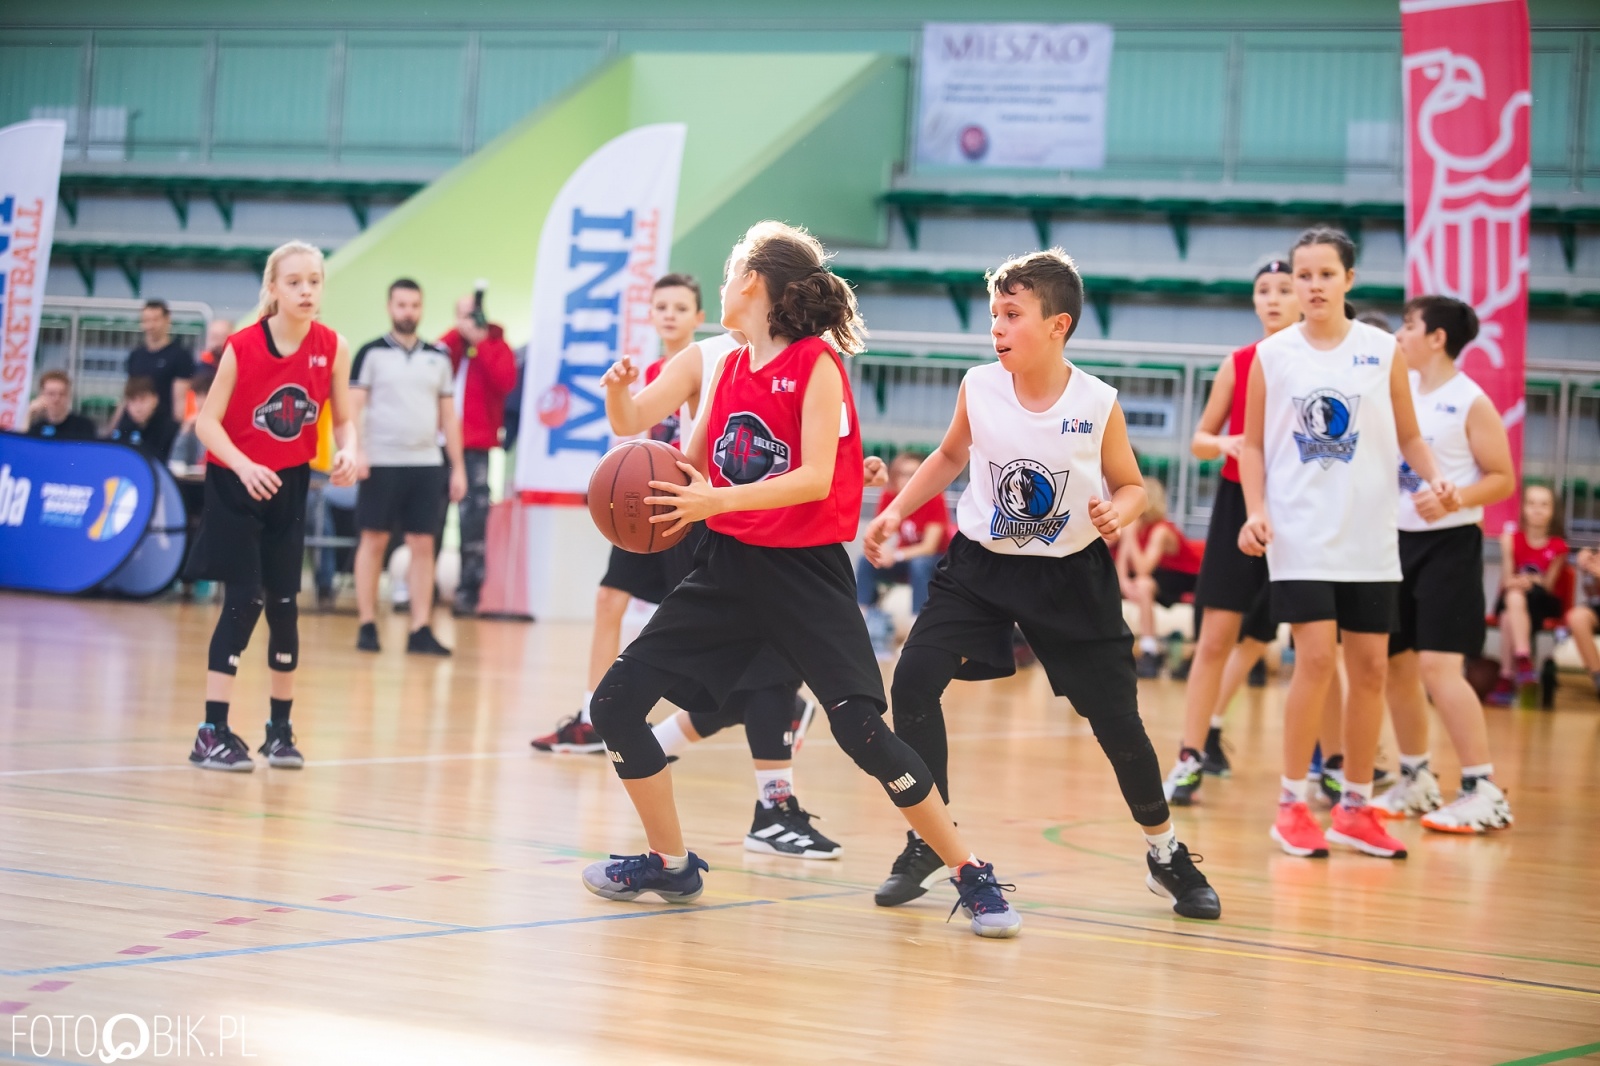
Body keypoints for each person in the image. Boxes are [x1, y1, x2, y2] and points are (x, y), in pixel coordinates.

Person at [580, 221, 1021, 938]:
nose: (722, 285)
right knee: (615, 705)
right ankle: (670, 861)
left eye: (729, 273)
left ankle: (970, 871)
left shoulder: (817, 362)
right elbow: (691, 466)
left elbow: (814, 477)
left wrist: (722, 500)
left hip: (803, 575)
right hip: (725, 569)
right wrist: (626, 422)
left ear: (753, 283)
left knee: (862, 733)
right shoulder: (727, 366)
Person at [866, 248, 1220, 921]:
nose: (997, 327)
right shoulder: (979, 386)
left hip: (1070, 576)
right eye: (994, 314)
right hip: (980, 567)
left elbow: (1132, 484)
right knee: (910, 685)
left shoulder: (1097, 401)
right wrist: (893, 511)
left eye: (1012, 314)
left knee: (1117, 722)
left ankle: (1165, 852)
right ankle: (931, 841)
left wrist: (1121, 512)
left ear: (1058, 325)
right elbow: (950, 454)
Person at [535, 272, 844, 860]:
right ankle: (764, 806)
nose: (673, 314)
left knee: (757, 674)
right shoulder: (709, 358)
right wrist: (617, 391)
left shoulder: (804, 360)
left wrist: (863, 468)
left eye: (685, 304)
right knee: (756, 672)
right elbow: (630, 421)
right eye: (663, 305)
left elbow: (815, 454)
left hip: (767, 527)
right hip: (697, 521)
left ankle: (686, 757)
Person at [1240, 226, 1456, 860]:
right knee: (1314, 661)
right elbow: (1251, 445)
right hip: (1300, 532)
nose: (1313, 286)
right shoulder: (1273, 355)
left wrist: (1436, 477)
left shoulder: (1382, 349)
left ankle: (1355, 808)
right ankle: (1291, 803)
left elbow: (1410, 436)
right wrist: (1255, 512)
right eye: (1303, 275)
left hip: (1370, 535)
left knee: (1370, 671)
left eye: (1325, 275)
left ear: (1348, 280)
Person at [182, 240, 357, 771]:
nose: (306, 291)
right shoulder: (242, 346)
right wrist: (243, 465)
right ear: (273, 289)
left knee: (284, 603)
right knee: (245, 599)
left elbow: (344, 418)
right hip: (236, 480)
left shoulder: (334, 347)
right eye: (294, 282)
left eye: (314, 281)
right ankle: (211, 731)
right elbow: (206, 423)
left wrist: (349, 450)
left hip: (291, 480)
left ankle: (279, 731)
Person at [1376, 295, 1515, 832]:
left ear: (1437, 338)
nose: (1400, 335)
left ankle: (1483, 788)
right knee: (1396, 664)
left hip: (1450, 546)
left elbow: (1502, 478)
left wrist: (1456, 499)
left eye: (1409, 326)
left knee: (1439, 668)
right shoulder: (1400, 390)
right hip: (1396, 543)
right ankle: (1416, 778)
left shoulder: (1470, 401)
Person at [1161, 261, 1296, 804]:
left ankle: (1331, 762)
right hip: (1239, 501)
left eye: (1284, 289)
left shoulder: (1315, 363)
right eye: (1264, 290)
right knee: (1216, 636)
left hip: (1300, 505)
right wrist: (1226, 444)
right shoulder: (1239, 363)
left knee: (1290, 638)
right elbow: (1200, 439)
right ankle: (1190, 754)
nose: (1273, 298)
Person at [350, 279, 466, 657]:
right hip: (380, 461)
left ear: (421, 308)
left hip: (426, 463)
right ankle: (367, 624)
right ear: (390, 307)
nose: (408, 312)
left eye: (414, 305)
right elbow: (352, 407)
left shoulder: (438, 357)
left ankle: (420, 628)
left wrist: (458, 467)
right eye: (401, 304)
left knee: (423, 544)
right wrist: (356, 451)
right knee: (374, 540)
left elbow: (449, 417)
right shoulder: (369, 353)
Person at [437, 294, 518, 616]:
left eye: (474, 313)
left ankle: (469, 591)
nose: (470, 319)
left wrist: (482, 341)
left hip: (476, 445)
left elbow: (505, 381)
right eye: (464, 314)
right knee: (429, 517)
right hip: (438, 442)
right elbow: (435, 363)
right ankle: (423, 588)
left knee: (473, 521)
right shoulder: (449, 345)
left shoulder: (497, 345)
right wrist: (460, 335)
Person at [856, 450, 950, 661]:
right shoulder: (889, 497)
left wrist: (896, 555)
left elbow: (929, 547)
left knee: (919, 564)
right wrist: (880, 551)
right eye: (904, 474)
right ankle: (860, 624)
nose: (908, 480)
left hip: (935, 561)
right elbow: (878, 537)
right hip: (906, 558)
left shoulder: (935, 498)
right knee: (867, 561)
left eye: (914, 475)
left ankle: (915, 634)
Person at [1485, 484, 1567, 707]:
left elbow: (1548, 585)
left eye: (1544, 505)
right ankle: (1523, 661)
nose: (1537, 509)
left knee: (1510, 611)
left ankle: (1506, 678)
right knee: (1511, 602)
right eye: (1531, 504)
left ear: (1553, 511)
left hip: (1540, 601)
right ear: (1522, 508)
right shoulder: (1511, 539)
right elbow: (1507, 579)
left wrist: (1529, 580)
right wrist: (1510, 562)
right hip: (1514, 596)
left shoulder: (1558, 546)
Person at [1117, 476, 1204, 679]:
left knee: (1143, 584)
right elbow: (1122, 562)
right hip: (1161, 576)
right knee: (1138, 585)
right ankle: (1146, 650)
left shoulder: (1161, 530)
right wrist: (1123, 583)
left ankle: (1150, 651)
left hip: (1186, 578)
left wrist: (1130, 536)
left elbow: (1143, 568)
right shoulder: (1137, 527)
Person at [118, 298, 195, 443]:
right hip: (134, 424)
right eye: (146, 320)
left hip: (162, 427)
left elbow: (180, 400)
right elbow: (128, 394)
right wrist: (113, 426)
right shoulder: (136, 355)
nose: (150, 325)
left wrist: (178, 430)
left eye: (155, 320)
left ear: (167, 320)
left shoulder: (180, 356)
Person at [107, 376, 177, 461]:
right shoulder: (123, 428)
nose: (138, 408)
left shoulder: (168, 429)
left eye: (142, 400)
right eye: (133, 400)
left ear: (155, 399)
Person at [1565, 550, 1600, 699]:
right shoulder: (1594, 555)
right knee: (1577, 617)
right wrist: (1586, 571)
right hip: (1596, 608)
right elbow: (1591, 593)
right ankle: (1597, 676)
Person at [24, 370, 98, 440]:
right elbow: (23, 444)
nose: (56, 399)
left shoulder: (83, 426)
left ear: (69, 396)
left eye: (62, 394)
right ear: (41, 395)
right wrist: (29, 414)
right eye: (51, 394)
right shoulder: (36, 426)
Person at [169, 366, 215, 469]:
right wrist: (184, 432)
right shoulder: (191, 426)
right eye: (197, 396)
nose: (201, 401)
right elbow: (176, 462)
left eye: (205, 395)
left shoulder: (224, 427)